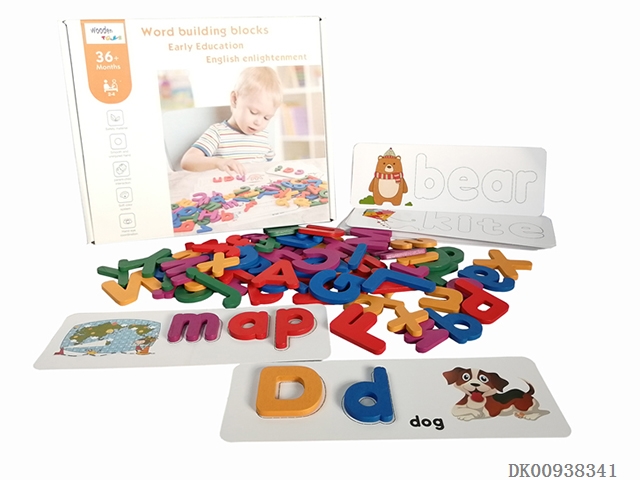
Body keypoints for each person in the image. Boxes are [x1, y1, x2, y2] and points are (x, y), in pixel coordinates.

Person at [180, 67, 283, 175]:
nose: (259, 122)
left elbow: (267, 166)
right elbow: (187, 161)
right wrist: (218, 163)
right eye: (253, 112)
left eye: (267, 118)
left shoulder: (263, 137)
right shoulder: (218, 133)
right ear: (235, 99)